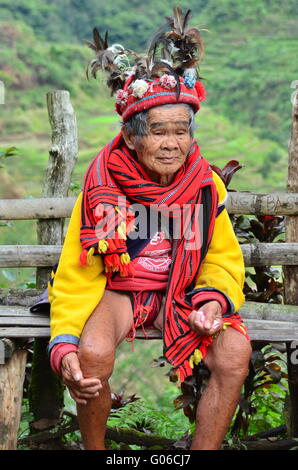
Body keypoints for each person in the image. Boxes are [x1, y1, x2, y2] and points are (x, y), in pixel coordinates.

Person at [47, 8, 252, 450]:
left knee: (235, 354)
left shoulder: (204, 185)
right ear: (134, 135)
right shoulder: (103, 186)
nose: (171, 144)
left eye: (181, 132)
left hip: (182, 291)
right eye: (159, 132)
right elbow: (77, 272)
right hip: (121, 291)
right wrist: (63, 342)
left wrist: (213, 300)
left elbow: (220, 257)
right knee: (92, 356)